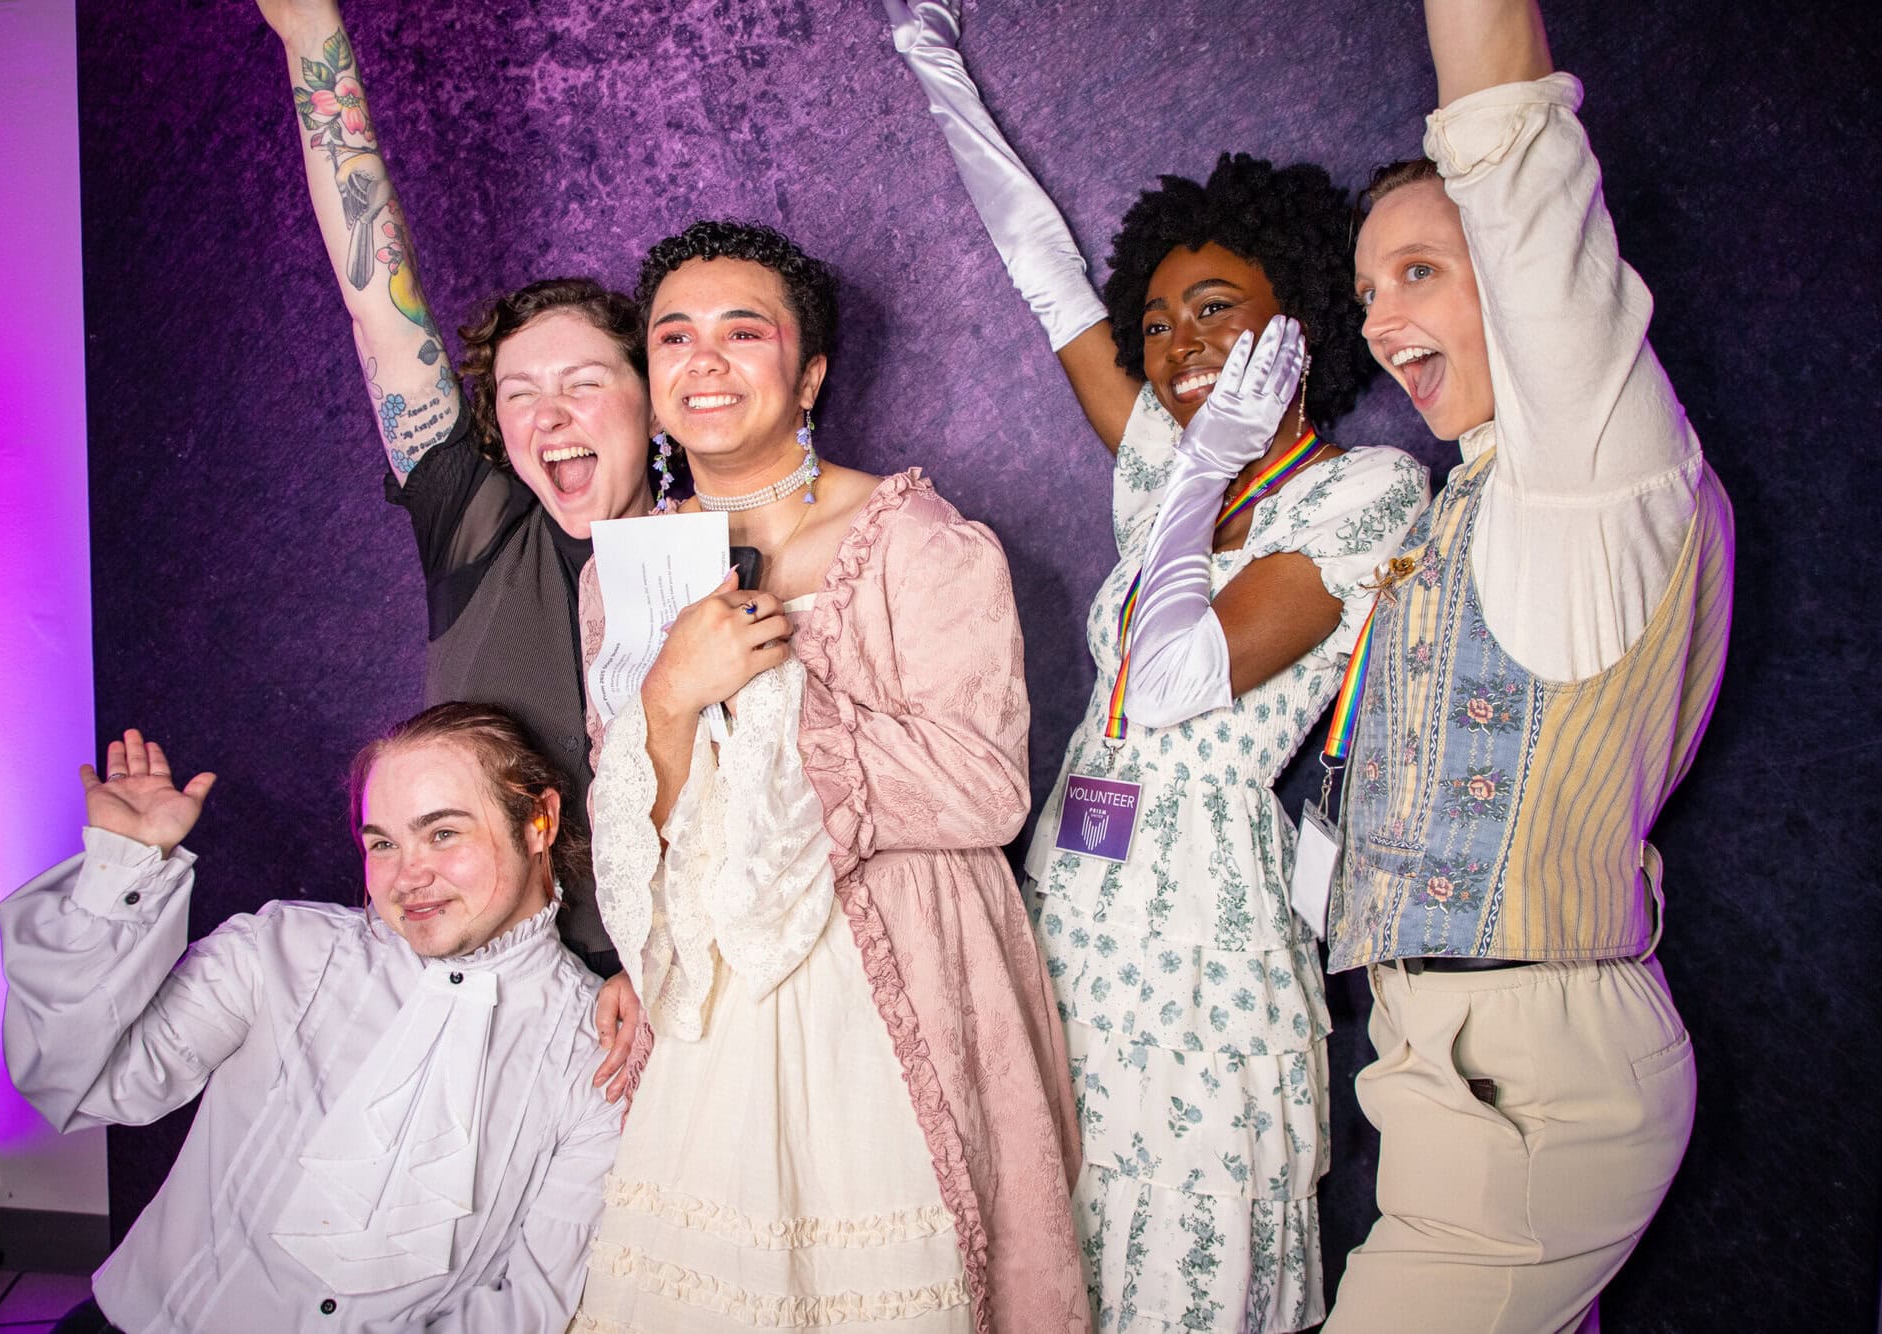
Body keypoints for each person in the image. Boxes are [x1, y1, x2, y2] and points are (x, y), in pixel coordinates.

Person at [885, 5, 1429, 1329]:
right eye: (1163, 320)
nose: (1180, 348)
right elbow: (1043, 273)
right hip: (1071, 922)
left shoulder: (1365, 493)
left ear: (1299, 317)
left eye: (1215, 310)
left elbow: (1176, 671)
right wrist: (932, 64)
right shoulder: (1164, 470)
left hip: (1203, 955)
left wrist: (1211, 462)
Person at [569, 221, 1087, 1332]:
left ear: (807, 372)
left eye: (740, 332)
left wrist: (751, 693)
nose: (702, 362)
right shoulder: (623, 577)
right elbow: (639, 816)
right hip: (718, 1004)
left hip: (889, 976)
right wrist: (667, 698)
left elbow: (982, 782)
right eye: (673, 336)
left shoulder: (915, 540)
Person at [1323, 0, 1735, 1327]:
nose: (1384, 323)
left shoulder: (1594, 468)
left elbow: (1509, 135)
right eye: (1369, 290)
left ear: (1510, 265)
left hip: (1534, 1085)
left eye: (1422, 270)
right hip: (1440, 1063)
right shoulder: (1471, 500)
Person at [253, 0, 653, 1064]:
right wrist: (313, 45)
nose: (549, 414)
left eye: (582, 382)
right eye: (520, 393)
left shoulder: (730, 550)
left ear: (651, 399)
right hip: (494, 1010)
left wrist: (653, 967)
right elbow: (376, 308)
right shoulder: (480, 527)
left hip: (678, 1006)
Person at [5, 709, 621, 1334]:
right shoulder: (281, 950)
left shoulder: (599, 1049)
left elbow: (530, 1302)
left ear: (539, 820)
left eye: (442, 834)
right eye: (382, 843)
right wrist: (122, 868)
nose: (407, 877)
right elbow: (85, 1083)